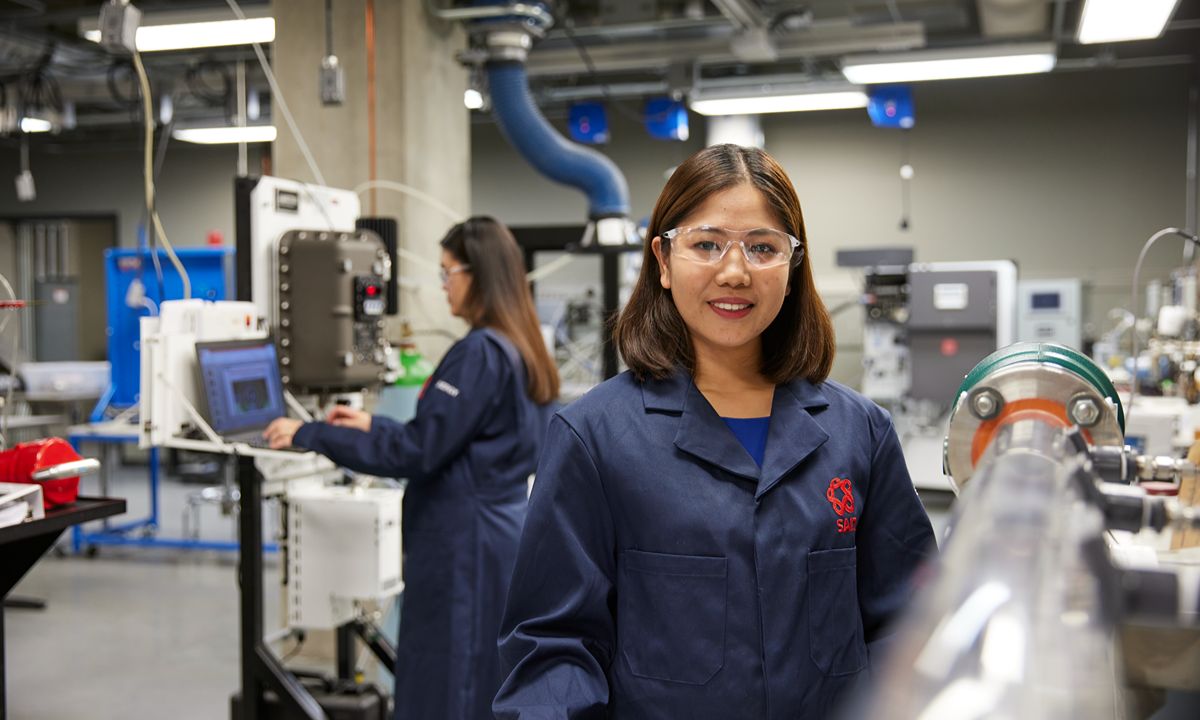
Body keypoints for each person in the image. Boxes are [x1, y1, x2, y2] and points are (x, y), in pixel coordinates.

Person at [493, 145, 935, 719]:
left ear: (793, 264)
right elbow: (552, 649)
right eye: (706, 244)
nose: (735, 271)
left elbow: (910, 623)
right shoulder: (595, 438)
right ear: (663, 259)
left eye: (763, 247)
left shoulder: (860, 434)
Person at [264, 216, 560, 720]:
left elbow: (417, 452)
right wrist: (369, 425)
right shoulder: (523, 348)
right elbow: (452, 441)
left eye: (448, 273)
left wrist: (309, 433)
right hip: (497, 536)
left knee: (449, 681)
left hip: (461, 547)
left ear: (479, 275)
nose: (444, 287)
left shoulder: (480, 353)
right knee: (479, 676)